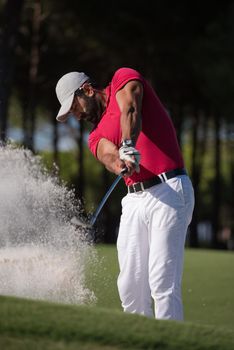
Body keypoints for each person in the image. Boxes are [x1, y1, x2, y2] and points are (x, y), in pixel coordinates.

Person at [55, 67, 195, 320]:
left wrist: (128, 144)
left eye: (74, 107)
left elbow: (131, 106)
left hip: (169, 191)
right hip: (133, 199)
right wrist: (120, 161)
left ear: (87, 89)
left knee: (161, 281)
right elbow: (106, 153)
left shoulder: (122, 78)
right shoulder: (95, 135)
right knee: (130, 285)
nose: (76, 115)